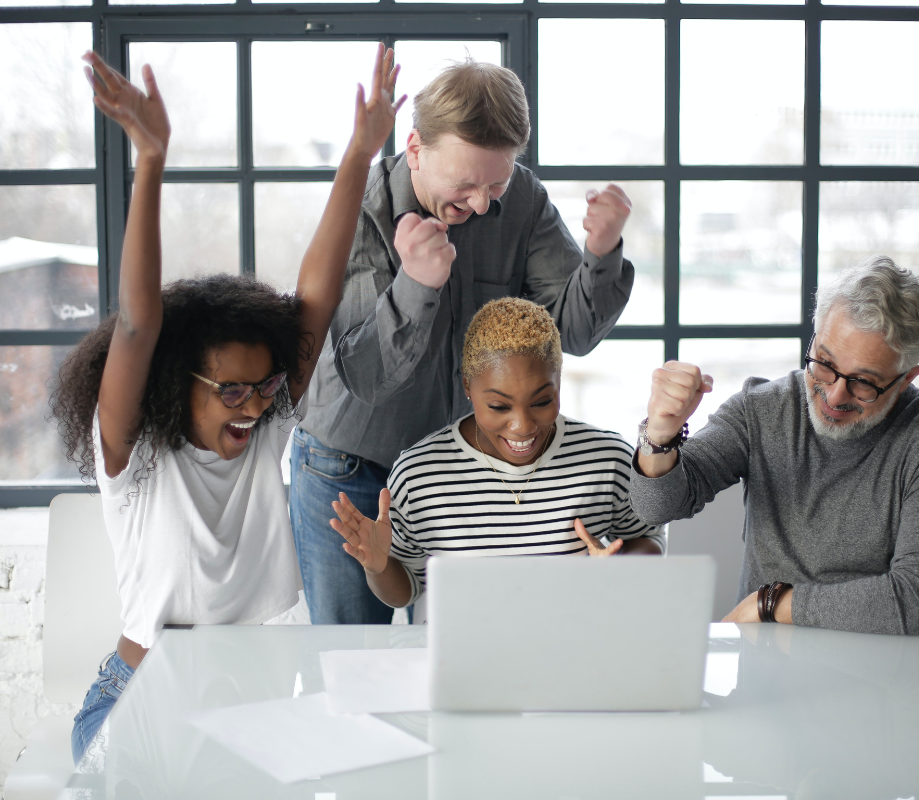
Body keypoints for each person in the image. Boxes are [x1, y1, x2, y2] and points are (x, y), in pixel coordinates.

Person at [50, 45, 403, 762]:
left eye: (266, 386)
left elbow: (316, 295)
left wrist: (362, 152)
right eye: (231, 391)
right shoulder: (136, 456)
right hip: (139, 698)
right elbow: (141, 323)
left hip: (255, 705)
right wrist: (150, 160)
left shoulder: (267, 427)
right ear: (179, 383)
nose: (252, 406)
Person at [292, 58, 636, 624]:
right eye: (465, 184)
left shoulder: (521, 200)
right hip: (351, 465)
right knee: (351, 660)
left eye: (495, 183)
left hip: (453, 474)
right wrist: (417, 283)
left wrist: (601, 254)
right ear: (416, 148)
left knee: (459, 651)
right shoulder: (362, 208)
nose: (481, 204)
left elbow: (571, 333)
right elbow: (369, 377)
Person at [629, 256, 919, 635]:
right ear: (815, 336)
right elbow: (656, 506)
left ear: (908, 377)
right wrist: (659, 435)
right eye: (825, 362)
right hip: (765, 674)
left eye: (864, 382)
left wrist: (772, 602)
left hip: (880, 677)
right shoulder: (762, 407)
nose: (834, 394)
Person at [329, 297, 664, 611]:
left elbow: (647, 538)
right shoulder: (420, 474)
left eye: (542, 402)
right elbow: (406, 591)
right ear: (467, 387)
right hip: (465, 661)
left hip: (571, 653)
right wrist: (378, 567)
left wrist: (617, 570)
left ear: (559, 382)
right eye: (499, 406)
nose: (522, 426)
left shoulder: (606, 458)